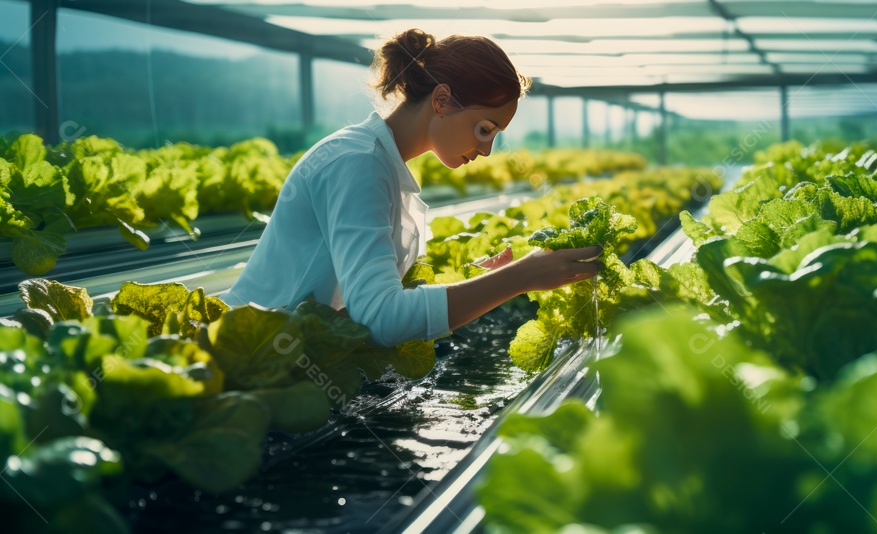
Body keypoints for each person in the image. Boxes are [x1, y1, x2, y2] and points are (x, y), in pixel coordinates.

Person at [220, 29, 603, 346]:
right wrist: (521, 277)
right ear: (441, 100)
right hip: (254, 363)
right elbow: (381, 319)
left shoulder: (379, 161)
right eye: (485, 129)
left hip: (289, 361)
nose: (486, 150)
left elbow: (363, 302)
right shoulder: (357, 162)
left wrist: (484, 278)